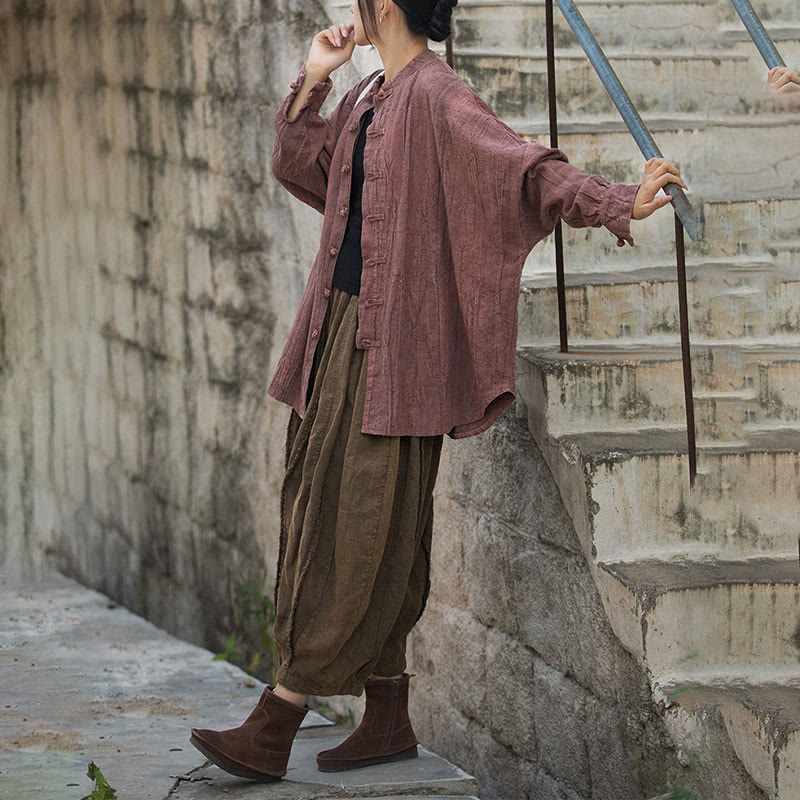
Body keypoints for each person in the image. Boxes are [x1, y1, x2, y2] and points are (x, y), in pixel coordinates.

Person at [189, 0, 687, 783]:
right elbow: (296, 167)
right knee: (365, 518)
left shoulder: (438, 94)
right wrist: (316, 80)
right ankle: (387, 714)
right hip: (341, 337)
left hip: (396, 353)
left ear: (385, 4)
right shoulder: (368, 95)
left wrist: (619, 199)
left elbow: (523, 170)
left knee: (350, 525)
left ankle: (277, 719)